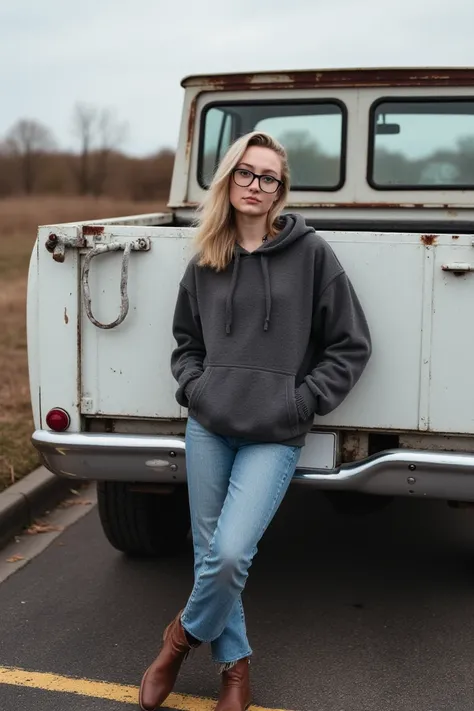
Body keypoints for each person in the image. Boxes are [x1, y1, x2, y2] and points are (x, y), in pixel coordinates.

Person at [139, 131, 372, 711]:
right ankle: (235, 671)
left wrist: (303, 401)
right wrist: (196, 387)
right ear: (229, 179)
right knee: (209, 553)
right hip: (209, 426)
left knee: (231, 553)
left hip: (276, 430)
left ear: (279, 192)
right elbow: (185, 343)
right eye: (246, 172)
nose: (255, 185)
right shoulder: (206, 259)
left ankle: (175, 643)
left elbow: (351, 344)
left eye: (268, 177)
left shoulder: (312, 254)